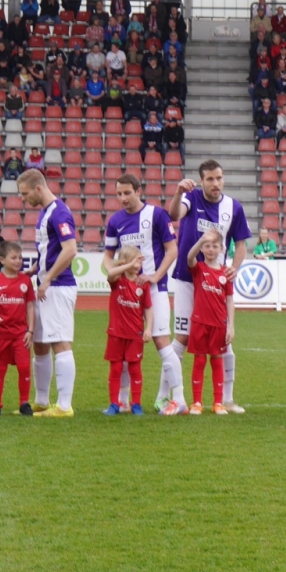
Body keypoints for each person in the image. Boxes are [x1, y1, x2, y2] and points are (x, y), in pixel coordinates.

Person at [168, 161, 251, 414]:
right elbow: (174, 215)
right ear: (201, 181)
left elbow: (241, 244)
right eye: (211, 179)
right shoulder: (191, 197)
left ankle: (227, 399)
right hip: (187, 277)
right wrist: (178, 192)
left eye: (219, 178)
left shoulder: (233, 207)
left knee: (224, 341)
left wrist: (234, 267)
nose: (216, 183)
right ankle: (168, 397)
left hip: (215, 282)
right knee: (182, 338)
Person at [104, 174, 183, 415]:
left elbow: (172, 250)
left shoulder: (157, 215)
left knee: (161, 342)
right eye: (119, 194)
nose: (123, 198)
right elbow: (108, 255)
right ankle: (123, 401)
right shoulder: (115, 221)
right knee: (124, 346)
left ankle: (179, 399)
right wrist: (113, 271)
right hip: (126, 293)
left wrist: (156, 276)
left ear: (139, 191)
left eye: (127, 193)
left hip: (154, 291)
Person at [16, 169, 79, 418]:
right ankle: (42, 401)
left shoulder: (59, 212)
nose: (23, 199)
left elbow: (70, 249)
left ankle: (64, 406)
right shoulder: (44, 212)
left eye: (25, 194)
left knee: (60, 342)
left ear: (38, 188)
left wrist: (49, 277)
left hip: (58, 287)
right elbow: (48, 251)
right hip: (44, 285)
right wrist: (35, 270)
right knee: (40, 344)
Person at [0, 241, 35, 416]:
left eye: (20, 257)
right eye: (14, 258)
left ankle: (24, 403)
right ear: (2, 260)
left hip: (21, 334)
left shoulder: (26, 281)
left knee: (24, 367)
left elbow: (30, 306)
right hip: (0, 334)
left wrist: (30, 330)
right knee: (0, 368)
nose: (18, 261)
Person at [185, 229, 235, 415]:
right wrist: (200, 240)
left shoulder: (226, 274)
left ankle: (218, 403)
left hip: (219, 324)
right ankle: (197, 403)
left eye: (215, 246)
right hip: (200, 322)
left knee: (217, 360)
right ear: (202, 248)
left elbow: (229, 300)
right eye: (207, 246)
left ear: (222, 249)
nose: (211, 249)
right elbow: (189, 257)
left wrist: (231, 326)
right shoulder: (199, 268)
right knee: (199, 360)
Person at [101, 246, 153, 417]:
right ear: (125, 262)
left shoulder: (142, 284)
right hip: (116, 333)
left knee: (135, 369)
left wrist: (148, 328)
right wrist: (128, 265)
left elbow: (148, 308)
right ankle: (114, 404)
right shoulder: (118, 280)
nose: (138, 264)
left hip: (135, 334)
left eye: (139, 261)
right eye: (135, 261)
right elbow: (110, 273)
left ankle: (136, 404)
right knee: (116, 369)